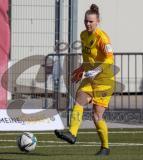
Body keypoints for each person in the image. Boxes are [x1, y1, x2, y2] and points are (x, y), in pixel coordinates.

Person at [55, 4, 114, 156]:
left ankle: (105, 147)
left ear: (98, 21)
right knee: (79, 101)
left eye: (91, 22)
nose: (88, 24)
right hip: (90, 78)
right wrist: (82, 69)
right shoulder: (83, 35)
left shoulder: (102, 38)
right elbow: (88, 57)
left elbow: (109, 60)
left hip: (104, 80)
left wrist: (95, 71)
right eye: (86, 21)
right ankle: (72, 134)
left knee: (96, 116)